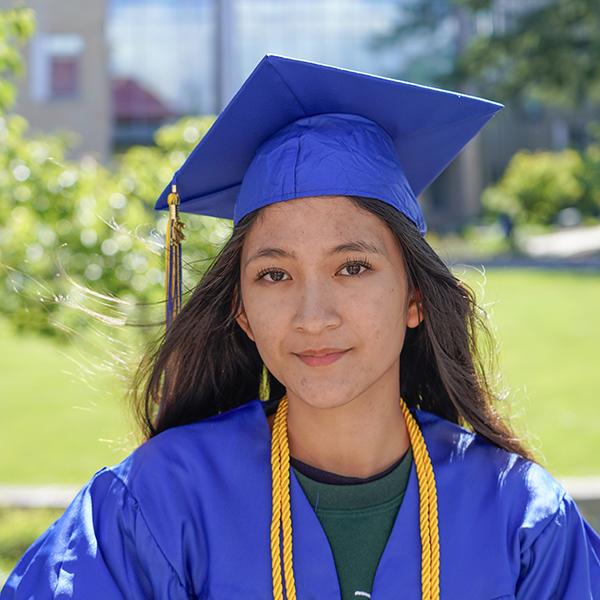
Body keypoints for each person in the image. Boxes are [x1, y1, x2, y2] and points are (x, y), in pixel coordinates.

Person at [2, 54, 599, 600]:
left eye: (353, 267)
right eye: (274, 276)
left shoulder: (521, 520)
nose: (314, 316)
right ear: (241, 311)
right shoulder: (158, 503)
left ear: (415, 297)